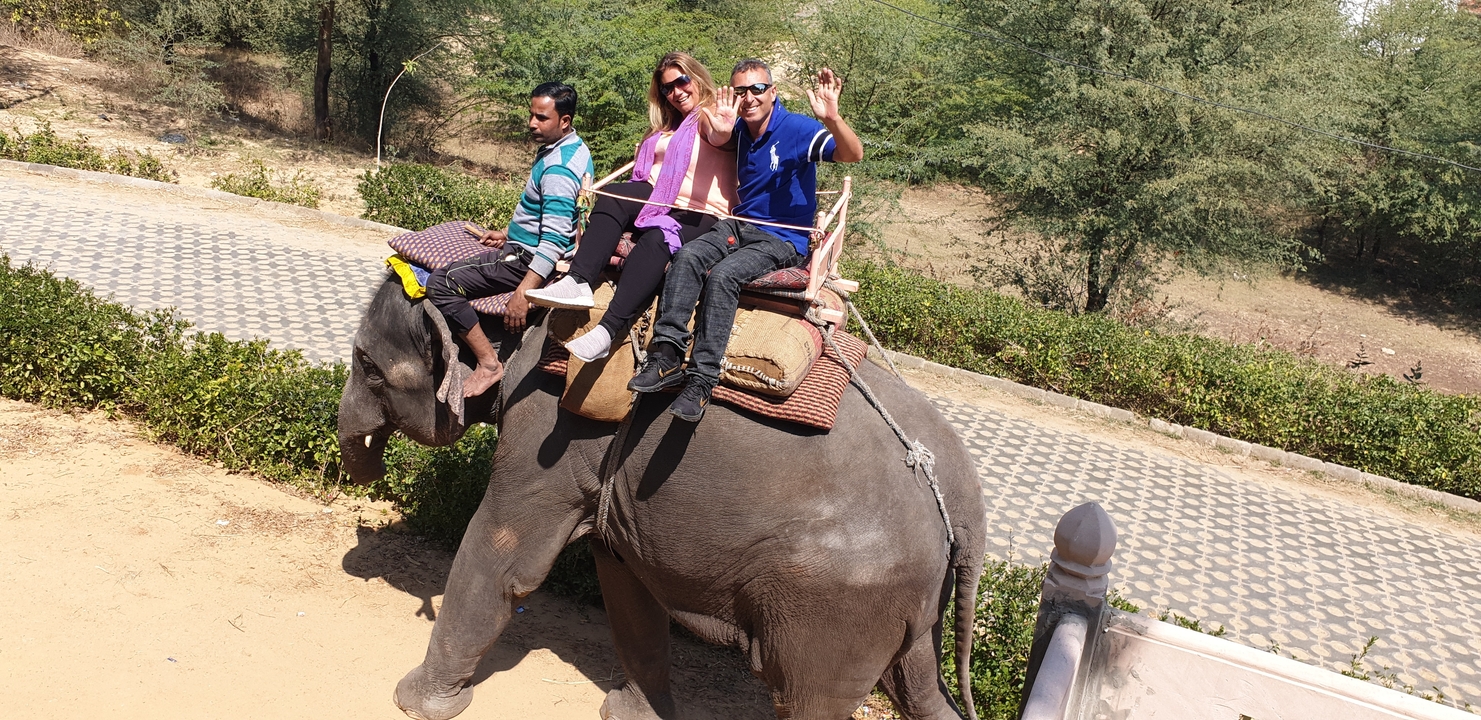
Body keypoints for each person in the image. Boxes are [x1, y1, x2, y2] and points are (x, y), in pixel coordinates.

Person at [628, 59, 864, 422]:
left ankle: (701, 380)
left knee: (724, 276)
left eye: (757, 89)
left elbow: (853, 154)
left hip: (784, 238)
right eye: (741, 91)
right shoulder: (738, 126)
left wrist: (832, 117)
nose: (749, 98)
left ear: (773, 92)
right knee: (688, 255)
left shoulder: (797, 128)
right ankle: (666, 356)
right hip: (739, 225)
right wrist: (723, 128)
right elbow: (718, 137)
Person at [525, 52, 738, 363]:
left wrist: (724, 128)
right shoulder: (671, 125)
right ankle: (579, 280)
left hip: (701, 210)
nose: (676, 92)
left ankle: (608, 330)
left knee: (657, 238)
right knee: (612, 193)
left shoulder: (709, 115)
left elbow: (721, 136)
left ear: (696, 78)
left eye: (682, 82)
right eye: (667, 88)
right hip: (661, 197)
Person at [426, 82, 593, 398]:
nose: (532, 123)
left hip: (527, 259)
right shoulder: (573, 149)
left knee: (441, 282)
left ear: (565, 121)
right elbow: (554, 213)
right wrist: (507, 232)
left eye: (541, 118)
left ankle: (489, 363)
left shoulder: (558, 169)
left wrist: (524, 293)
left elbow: (555, 238)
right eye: (531, 115)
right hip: (523, 243)